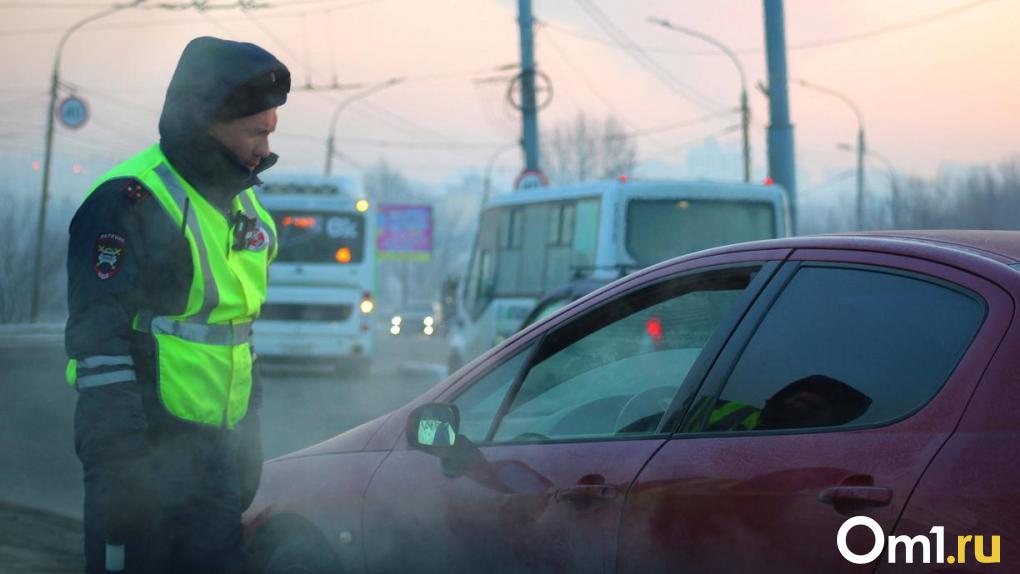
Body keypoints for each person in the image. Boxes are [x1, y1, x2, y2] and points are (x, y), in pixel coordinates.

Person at [64, 36, 290, 573]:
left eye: (271, 131)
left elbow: (237, 332)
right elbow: (100, 343)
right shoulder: (128, 200)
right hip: (143, 452)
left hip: (213, 453)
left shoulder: (247, 206)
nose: (265, 148)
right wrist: (120, 462)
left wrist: (246, 434)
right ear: (206, 120)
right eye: (255, 131)